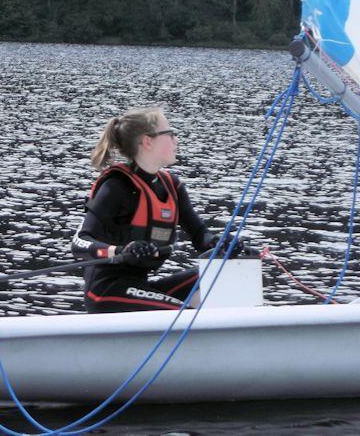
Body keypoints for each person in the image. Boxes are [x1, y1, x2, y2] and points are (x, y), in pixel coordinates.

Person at [72, 107, 241, 313]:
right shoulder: (117, 186)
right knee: (184, 315)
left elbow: (200, 236)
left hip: (141, 287)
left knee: (228, 271)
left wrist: (220, 243)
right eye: (170, 134)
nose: (176, 140)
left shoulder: (172, 186)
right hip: (107, 292)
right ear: (148, 141)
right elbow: (80, 243)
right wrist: (121, 251)